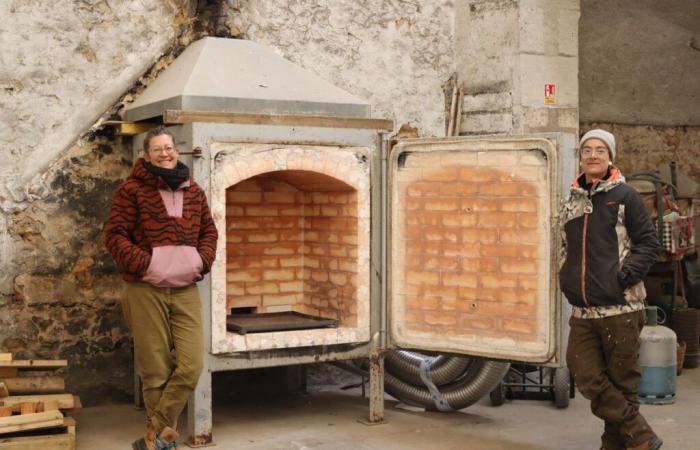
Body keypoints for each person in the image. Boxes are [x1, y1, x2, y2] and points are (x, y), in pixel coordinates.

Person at [104, 126, 218, 450]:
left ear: (176, 151)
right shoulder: (131, 190)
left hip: (184, 289)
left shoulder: (193, 191)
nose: (165, 154)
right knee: (155, 370)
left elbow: (209, 231)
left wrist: (201, 260)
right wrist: (146, 264)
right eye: (158, 149)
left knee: (192, 364)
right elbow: (115, 235)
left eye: (169, 148)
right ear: (147, 155)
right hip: (145, 289)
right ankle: (161, 443)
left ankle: (154, 432)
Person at [559, 129, 663, 450]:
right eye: (587, 150)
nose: (592, 155)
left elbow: (648, 243)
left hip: (621, 308)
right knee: (586, 373)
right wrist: (566, 276)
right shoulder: (572, 202)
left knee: (622, 382)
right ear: (581, 156)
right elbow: (563, 247)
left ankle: (615, 444)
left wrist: (625, 275)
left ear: (610, 157)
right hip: (583, 310)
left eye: (600, 150)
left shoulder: (625, 197)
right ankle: (640, 435)